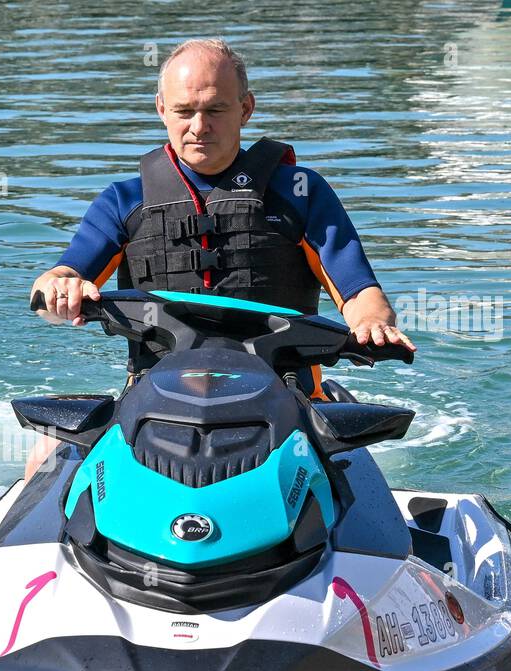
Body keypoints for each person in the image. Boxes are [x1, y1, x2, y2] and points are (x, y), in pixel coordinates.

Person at [24, 37, 414, 481]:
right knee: (47, 454)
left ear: (246, 109)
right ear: (161, 109)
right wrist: (58, 285)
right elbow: (61, 274)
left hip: (288, 397)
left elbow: (360, 290)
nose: (198, 126)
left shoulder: (300, 192)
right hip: (155, 397)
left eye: (215, 110)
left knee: (349, 474)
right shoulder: (124, 200)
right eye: (184, 111)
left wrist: (372, 325)